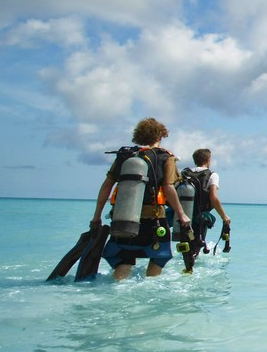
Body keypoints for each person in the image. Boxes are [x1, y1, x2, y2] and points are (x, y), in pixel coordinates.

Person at [91, 117, 191, 280]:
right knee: (158, 257)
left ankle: (118, 291)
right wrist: (181, 214)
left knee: (124, 259)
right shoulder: (166, 157)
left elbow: (107, 186)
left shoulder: (126, 156)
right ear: (160, 136)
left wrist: (96, 216)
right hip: (154, 218)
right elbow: (168, 187)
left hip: (123, 217)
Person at [180, 148, 232, 273]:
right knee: (195, 247)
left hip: (183, 215)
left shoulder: (185, 173)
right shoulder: (212, 175)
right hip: (200, 217)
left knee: (185, 246)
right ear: (208, 160)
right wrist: (224, 216)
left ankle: (187, 266)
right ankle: (190, 272)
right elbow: (213, 197)